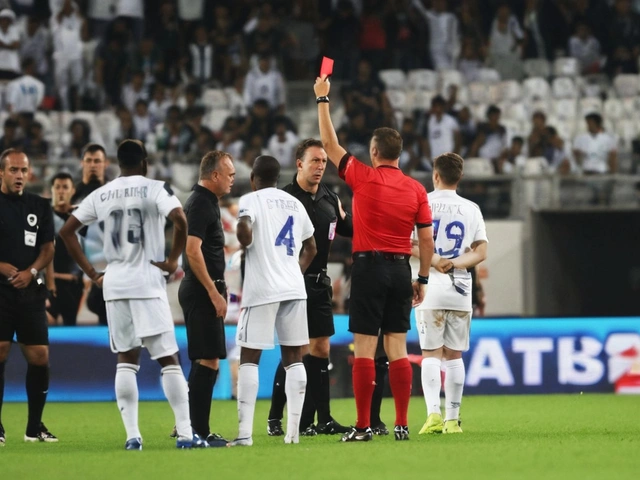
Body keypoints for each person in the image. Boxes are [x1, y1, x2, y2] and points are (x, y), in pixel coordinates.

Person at [59, 139, 206, 450]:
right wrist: (173, 259)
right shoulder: (155, 188)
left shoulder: (101, 193)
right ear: (144, 162)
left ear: (117, 162)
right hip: (146, 280)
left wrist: (92, 273)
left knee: (126, 358)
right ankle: (184, 434)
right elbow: (180, 219)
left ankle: (132, 437)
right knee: (169, 359)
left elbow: (66, 231)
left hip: (114, 281)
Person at [314, 76, 434, 442]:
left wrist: (323, 98)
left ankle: (363, 426)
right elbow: (426, 239)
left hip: (368, 268)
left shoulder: (362, 177)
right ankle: (400, 423)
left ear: (375, 152)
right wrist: (423, 279)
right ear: (397, 154)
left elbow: (330, 144)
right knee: (397, 347)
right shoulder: (416, 188)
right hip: (401, 270)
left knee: (365, 347)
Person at [229, 155, 317, 446]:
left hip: (262, 289)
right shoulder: (295, 203)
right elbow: (311, 247)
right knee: (294, 359)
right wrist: (294, 271)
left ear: (254, 178)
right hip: (293, 287)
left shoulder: (250, 199)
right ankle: (292, 435)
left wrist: (244, 237)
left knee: (249, 359)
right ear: (278, 178)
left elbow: (244, 232)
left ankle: (244, 435)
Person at [267, 139, 352, 437]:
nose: (320, 167)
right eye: (314, 161)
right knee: (295, 351)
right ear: (299, 163)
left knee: (320, 348)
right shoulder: (284, 199)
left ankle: (322, 418)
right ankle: (275, 417)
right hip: (292, 281)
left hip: (319, 283)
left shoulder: (330, 198)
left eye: (324, 162)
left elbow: (349, 228)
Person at [416, 152, 488, 435]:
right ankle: (453, 421)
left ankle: (433, 415)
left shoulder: (423, 202)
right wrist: (456, 263)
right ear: (459, 178)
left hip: (428, 286)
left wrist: (434, 261)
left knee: (431, 354)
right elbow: (481, 252)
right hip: (460, 288)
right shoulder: (471, 208)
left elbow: (410, 243)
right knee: (454, 355)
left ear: (435, 176)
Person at [178, 150, 236, 447]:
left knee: (203, 359)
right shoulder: (201, 203)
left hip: (202, 288)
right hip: (203, 290)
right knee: (211, 360)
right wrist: (214, 292)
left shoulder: (205, 201)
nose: (232, 179)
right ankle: (199, 431)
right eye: (229, 174)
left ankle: (187, 425)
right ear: (214, 175)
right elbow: (191, 250)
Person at [0, 149, 56, 445]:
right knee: (0, 352)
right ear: (1, 172)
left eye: (23, 170)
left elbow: (48, 248)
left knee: (39, 356)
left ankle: (34, 427)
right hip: (0, 292)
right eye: (13, 170)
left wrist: (31, 271)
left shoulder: (39, 205)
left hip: (30, 291)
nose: (19, 176)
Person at [71, 143, 109, 325]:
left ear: (105, 164)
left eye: (97, 161)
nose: (93, 165)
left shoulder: (114, 193)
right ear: (82, 163)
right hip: (76, 269)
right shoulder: (72, 194)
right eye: (89, 161)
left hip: (108, 267)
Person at [45, 172, 84, 326]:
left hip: (73, 285)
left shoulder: (81, 218)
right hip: (48, 283)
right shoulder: (42, 217)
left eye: (65, 187)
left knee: (71, 330)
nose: (61, 191)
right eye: (58, 187)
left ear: (72, 190)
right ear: (52, 190)